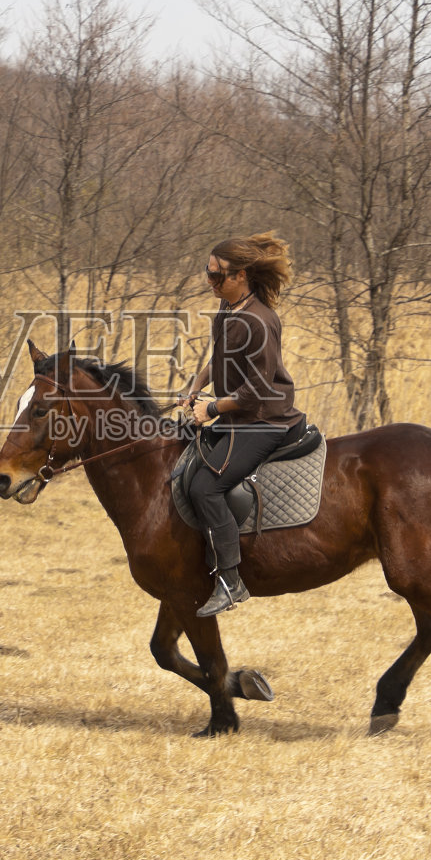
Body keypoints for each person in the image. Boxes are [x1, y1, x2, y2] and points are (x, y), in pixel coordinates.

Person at [177, 233, 307, 616]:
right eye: (208, 273)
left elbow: (256, 391)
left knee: (205, 488)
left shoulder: (260, 321)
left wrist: (212, 408)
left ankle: (230, 582)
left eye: (217, 276)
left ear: (241, 276)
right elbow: (219, 358)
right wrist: (195, 387)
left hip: (264, 421)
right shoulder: (228, 308)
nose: (210, 282)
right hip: (240, 416)